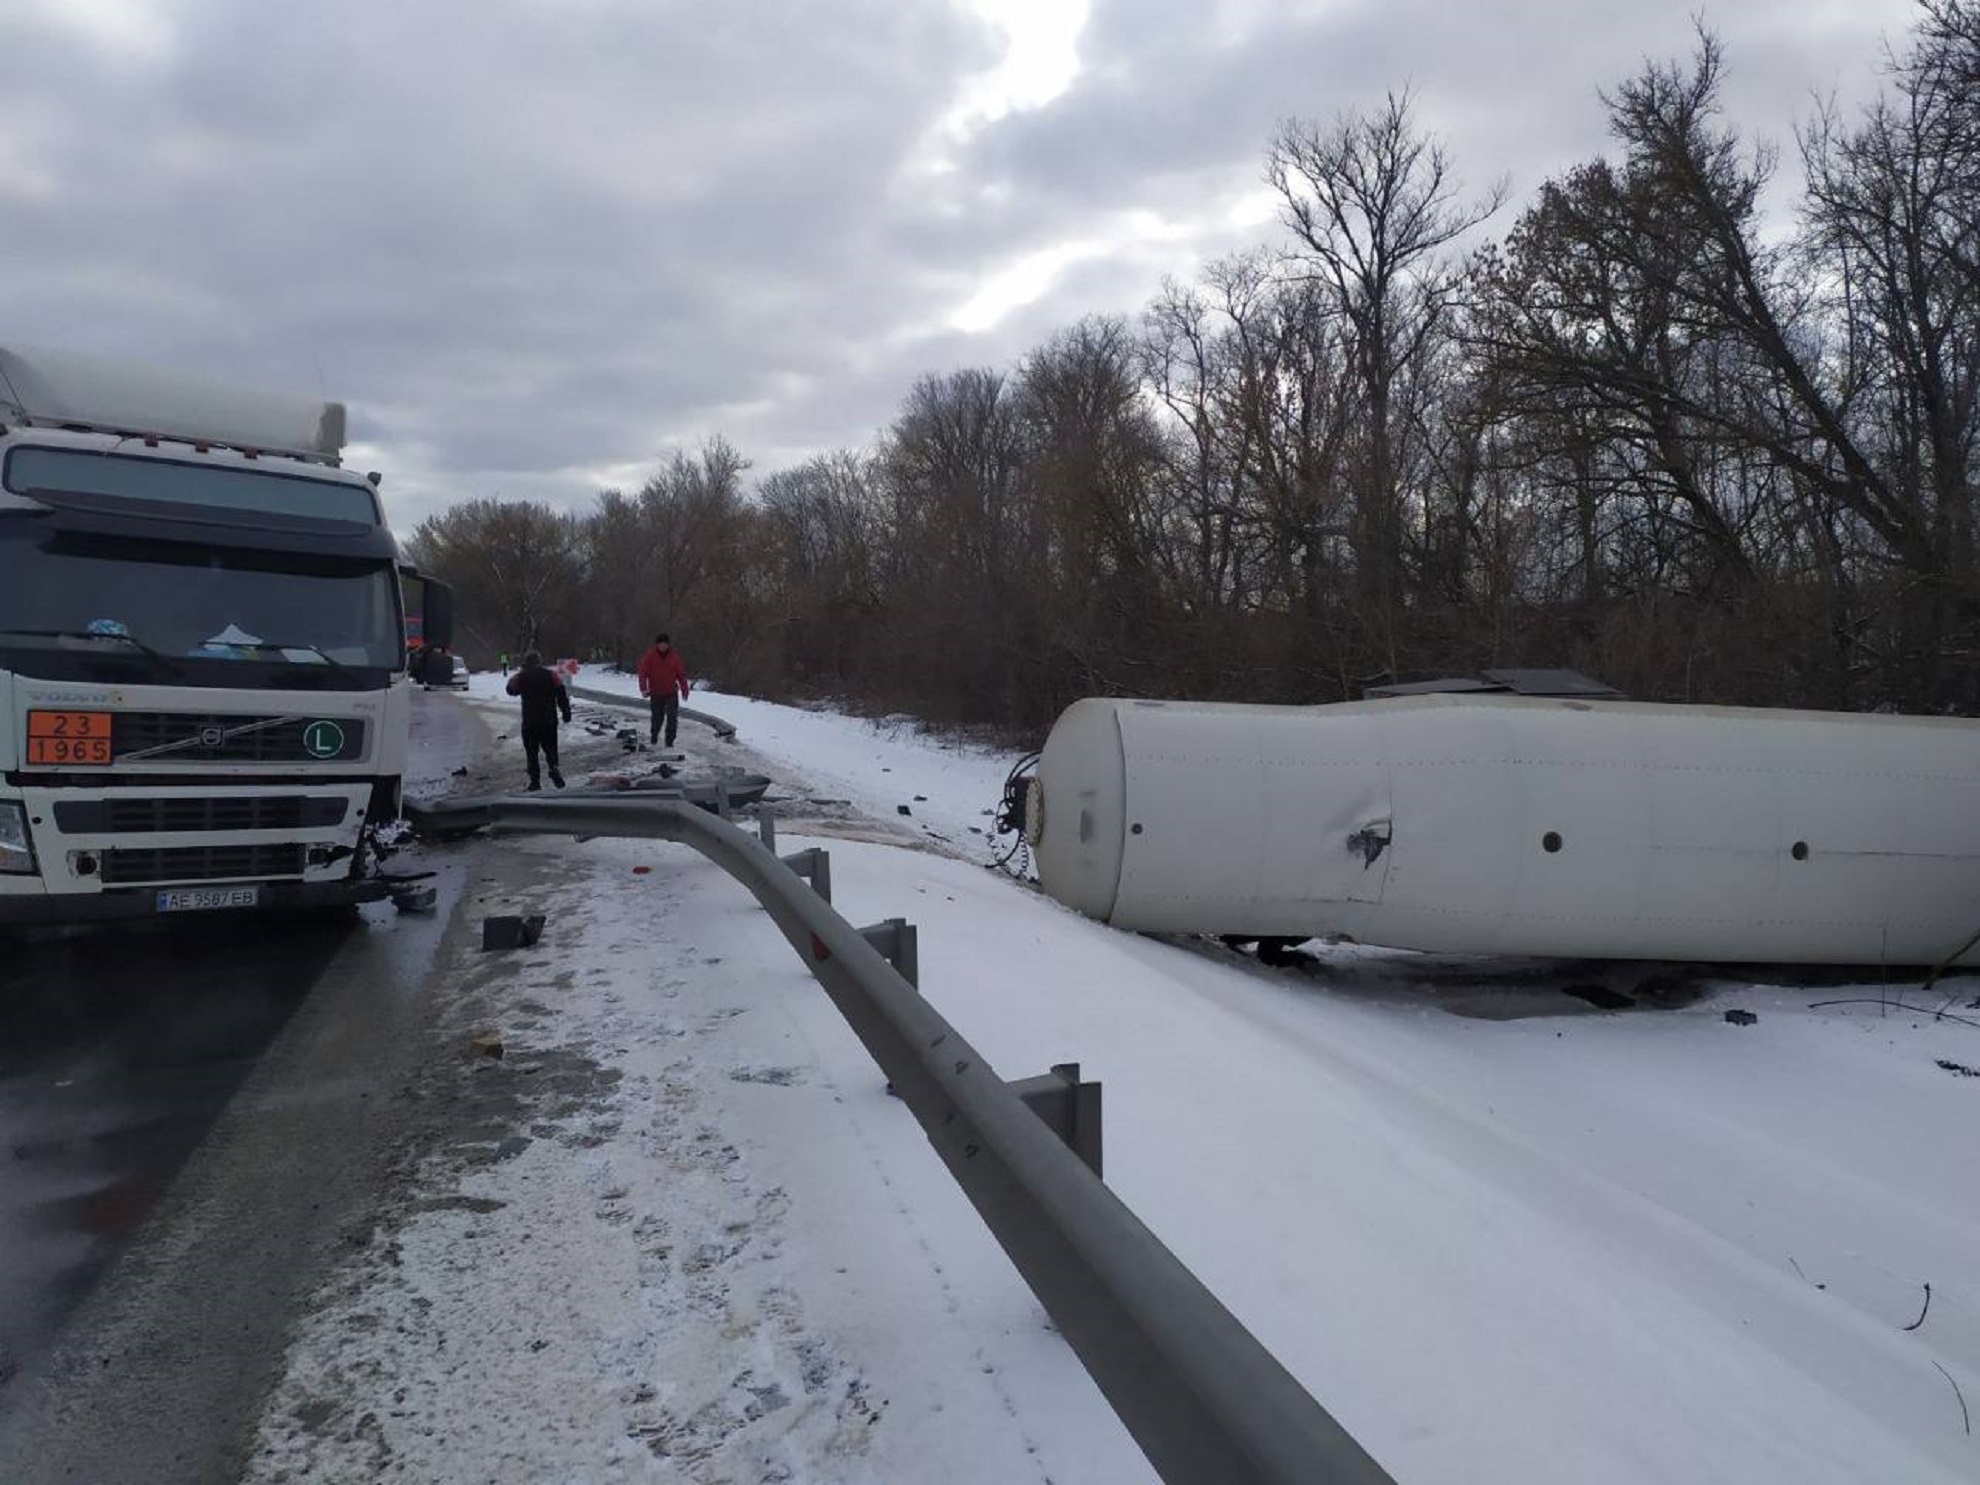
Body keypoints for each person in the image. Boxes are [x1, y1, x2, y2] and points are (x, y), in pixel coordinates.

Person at [505, 649, 572, 790]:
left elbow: (510, 690)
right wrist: (566, 713)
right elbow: (561, 694)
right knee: (551, 748)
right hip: (549, 720)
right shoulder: (551, 675)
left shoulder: (521, 677)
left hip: (530, 722)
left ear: (526, 663)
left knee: (531, 752)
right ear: (539, 662)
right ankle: (553, 767)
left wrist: (520, 674)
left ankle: (535, 782)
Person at [636, 631, 691, 749]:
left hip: (671, 692)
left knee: (672, 717)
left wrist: (685, 690)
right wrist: (643, 688)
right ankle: (654, 735)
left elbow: (681, 674)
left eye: (665, 644)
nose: (662, 646)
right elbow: (643, 673)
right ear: (656, 645)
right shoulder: (650, 656)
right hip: (656, 692)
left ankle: (669, 741)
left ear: (668, 645)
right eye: (660, 644)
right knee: (657, 717)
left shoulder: (674, 657)